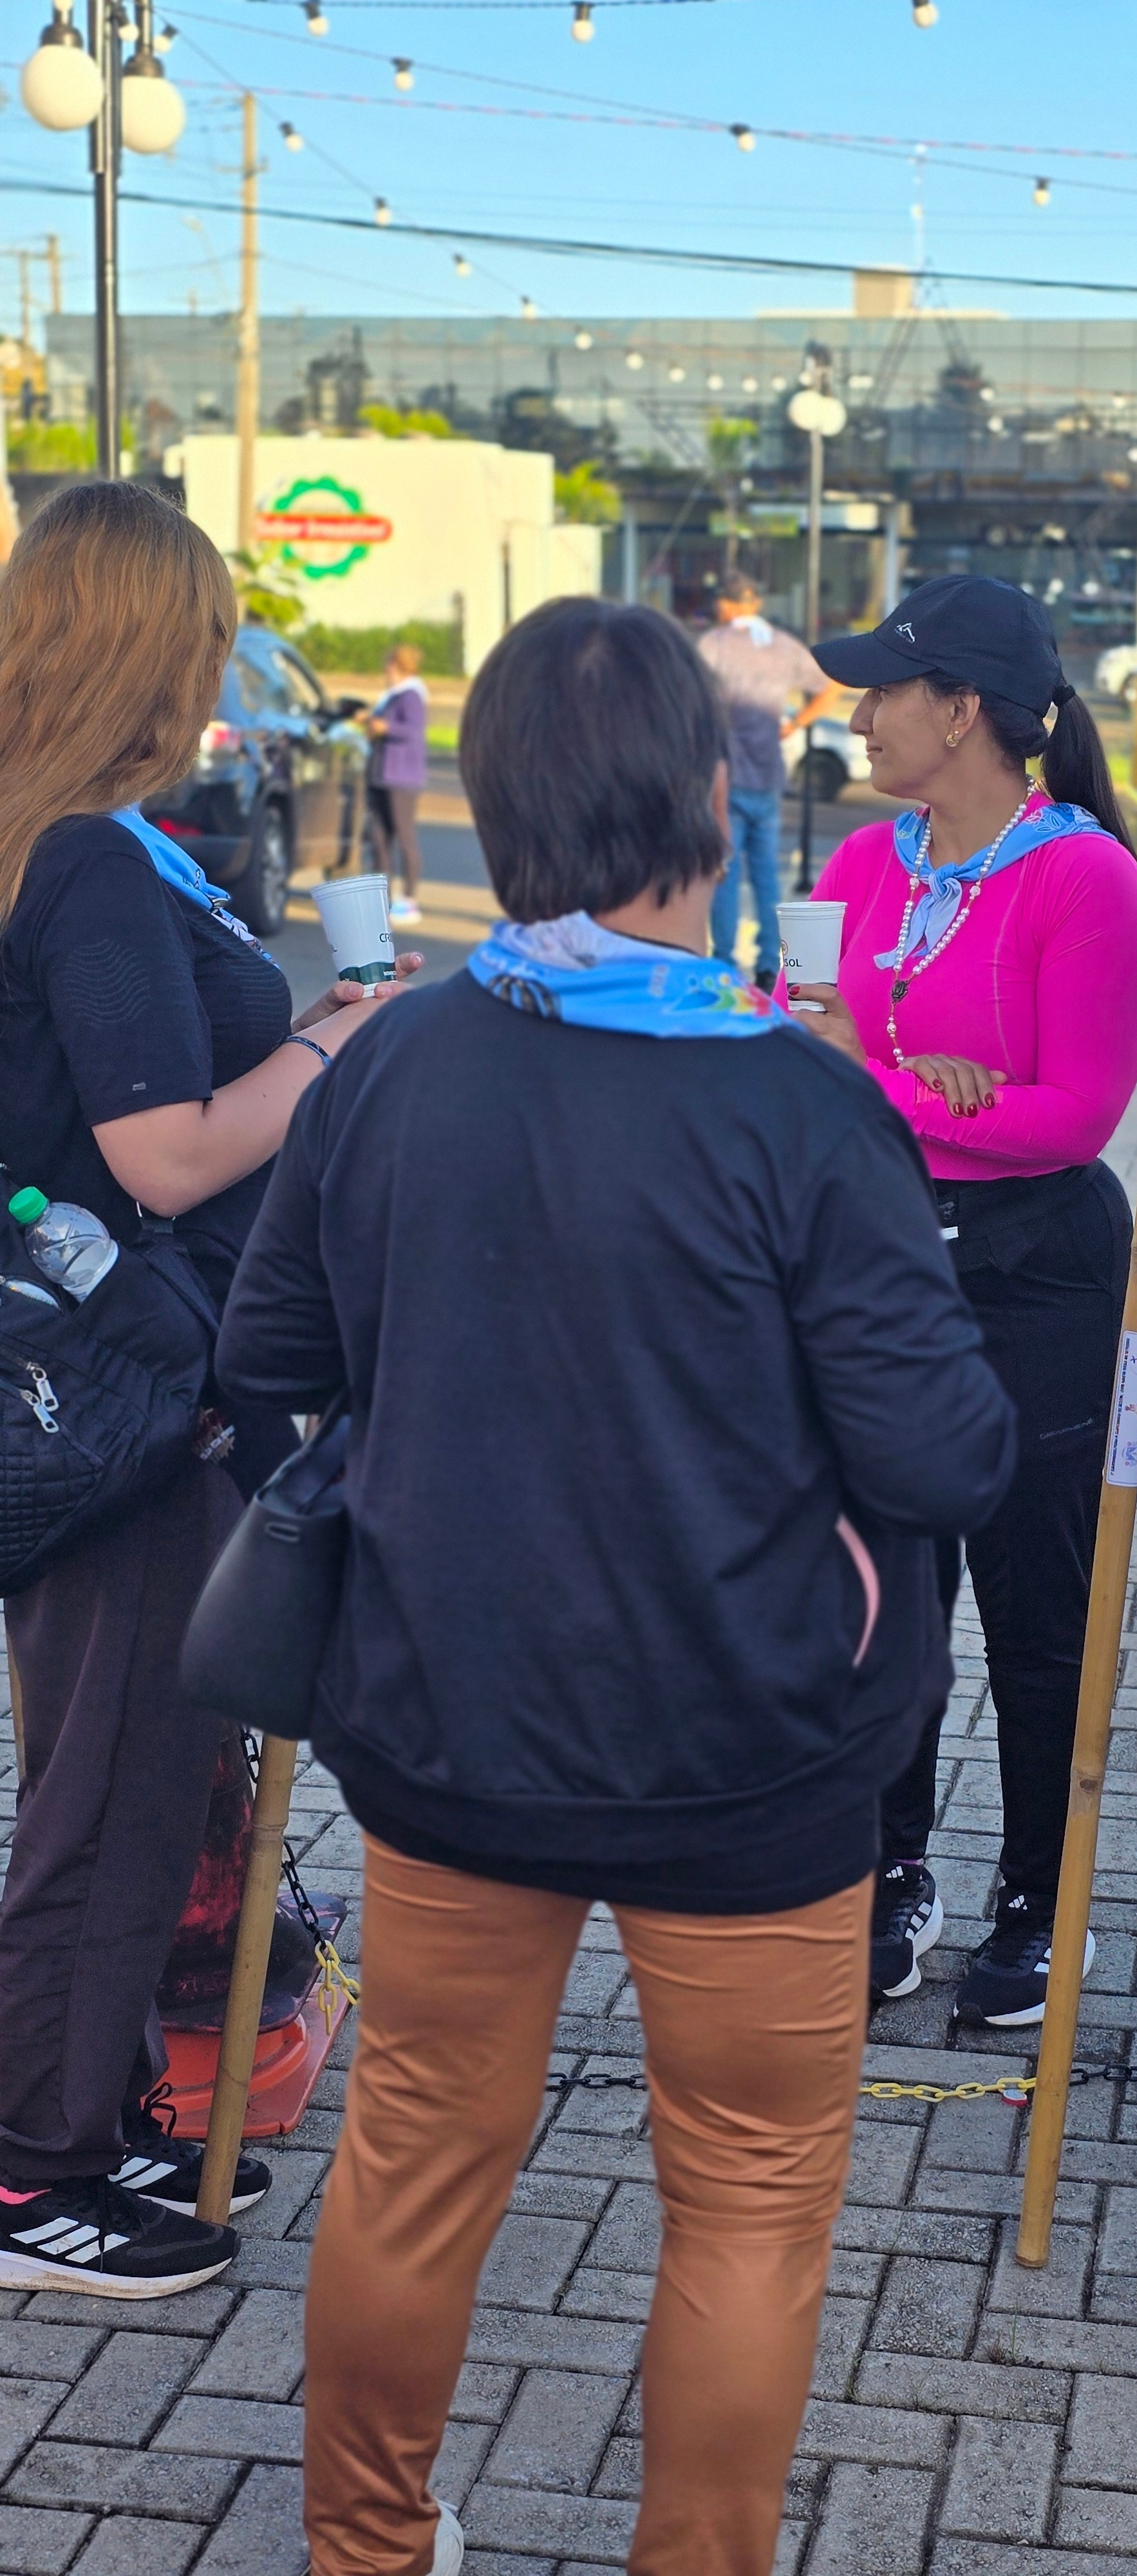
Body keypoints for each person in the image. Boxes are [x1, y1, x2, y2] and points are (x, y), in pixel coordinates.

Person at [216, 594, 1016, 2576]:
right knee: (748, 2196)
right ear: (695, 794)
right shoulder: (801, 1103)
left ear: (499, 802)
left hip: (451, 1711)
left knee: (410, 2160)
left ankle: (365, 2547)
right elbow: (941, 1455)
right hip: (752, 1742)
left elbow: (268, 1366)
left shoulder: (392, 1067)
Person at [0, 482, 413, 2300]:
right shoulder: (83, 854)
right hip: (131, 1399)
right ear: (152, 651)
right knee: (111, 1793)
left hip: (84, 1385)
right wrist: (334, 1036)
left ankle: (83, 2117)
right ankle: (35, 2168)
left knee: (108, 1771)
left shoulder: (52, 838)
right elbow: (162, 1154)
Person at [782, 577, 1137, 2025]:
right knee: (888, 1589)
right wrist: (911, 1094)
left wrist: (874, 1088)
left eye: (885, 690)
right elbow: (785, 1035)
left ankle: (1036, 1896)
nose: (860, 714)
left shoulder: (1085, 878)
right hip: (880, 1263)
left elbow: (1071, 1116)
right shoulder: (864, 862)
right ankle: (891, 1869)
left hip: (1037, 1272)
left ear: (961, 711)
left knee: (1036, 1601)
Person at [697, 571, 838, 987]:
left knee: (725, 869)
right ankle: (767, 964)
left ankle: (723, 962)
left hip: (726, 773)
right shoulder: (783, 644)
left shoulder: (715, 644)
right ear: (755, 604)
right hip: (769, 774)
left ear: (727, 604)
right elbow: (829, 687)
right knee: (766, 875)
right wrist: (796, 723)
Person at [366, 641, 429, 929]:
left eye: (390, 666)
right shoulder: (392, 696)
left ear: (399, 667)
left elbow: (413, 731)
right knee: (379, 838)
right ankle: (383, 899)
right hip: (381, 775)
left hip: (402, 778)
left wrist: (385, 728)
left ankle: (409, 898)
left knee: (404, 837)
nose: (386, 672)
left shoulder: (411, 695)